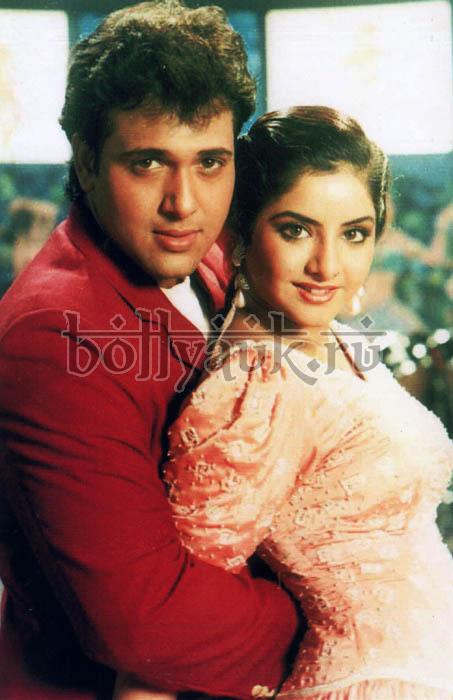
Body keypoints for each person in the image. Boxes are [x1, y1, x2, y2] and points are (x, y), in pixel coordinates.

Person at [0, 3, 299, 699]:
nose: (184, 204)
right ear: (86, 159)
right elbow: (146, 625)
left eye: (210, 163)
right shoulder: (54, 337)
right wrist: (335, 611)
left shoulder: (209, 258)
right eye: (148, 163)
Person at [122, 106, 453, 699]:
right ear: (241, 231)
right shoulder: (258, 384)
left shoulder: (337, 337)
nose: (327, 265)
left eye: (354, 233)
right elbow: (175, 620)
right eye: (296, 230)